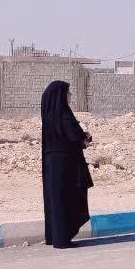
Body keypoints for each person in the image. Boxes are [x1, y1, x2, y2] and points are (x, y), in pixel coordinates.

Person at [39, 80, 94, 249]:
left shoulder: (49, 115)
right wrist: (85, 139)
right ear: (61, 96)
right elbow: (73, 137)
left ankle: (54, 237)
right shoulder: (64, 114)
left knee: (55, 198)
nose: (70, 95)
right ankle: (63, 239)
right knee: (67, 197)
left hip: (52, 161)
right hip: (66, 163)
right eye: (68, 92)